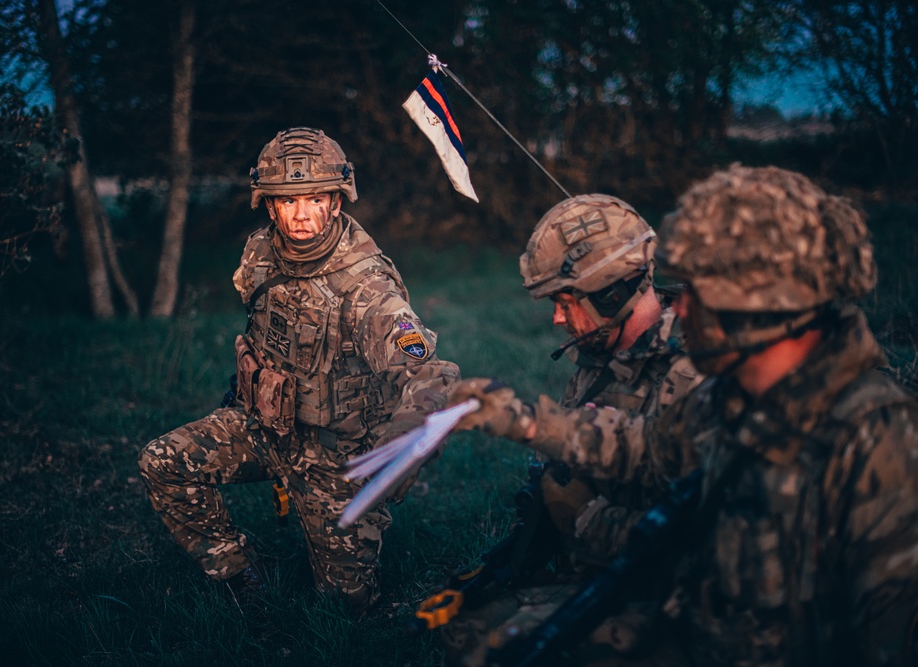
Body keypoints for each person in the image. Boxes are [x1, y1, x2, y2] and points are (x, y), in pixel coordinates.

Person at [455, 165, 918, 665]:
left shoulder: (878, 444)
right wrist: (526, 422)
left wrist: (591, 523)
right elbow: (651, 447)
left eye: (701, 292)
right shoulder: (736, 395)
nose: (682, 311)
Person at [137, 127, 458, 614]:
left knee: (345, 608)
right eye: (288, 201)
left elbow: (429, 374)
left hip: (336, 456)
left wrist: (400, 449)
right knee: (162, 461)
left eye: (314, 198)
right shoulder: (261, 252)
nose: (301, 214)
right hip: (265, 426)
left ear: (336, 200)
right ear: (269, 205)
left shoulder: (367, 288)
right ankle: (242, 574)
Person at [440, 194, 702, 665]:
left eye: (565, 301)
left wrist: (582, 518)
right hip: (599, 568)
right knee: (464, 625)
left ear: (612, 295)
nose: (557, 319)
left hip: (678, 599)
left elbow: (695, 549)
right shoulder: (602, 358)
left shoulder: (696, 374)